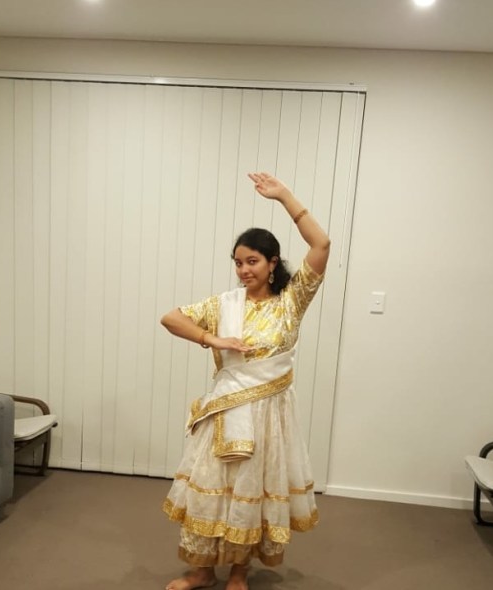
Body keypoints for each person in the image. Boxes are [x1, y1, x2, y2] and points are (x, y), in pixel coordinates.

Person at [160, 172, 331, 590]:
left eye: (252, 261)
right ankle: (202, 570)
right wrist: (212, 338)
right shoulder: (225, 304)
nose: (243, 270)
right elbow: (171, 318)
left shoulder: (291, 301)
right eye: (238, 262)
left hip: (269, 417)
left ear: (273, 263)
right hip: (226, 411)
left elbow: (321, 245)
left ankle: (239, 571)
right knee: (212, 487)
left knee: (250, 493)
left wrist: (284, 196)